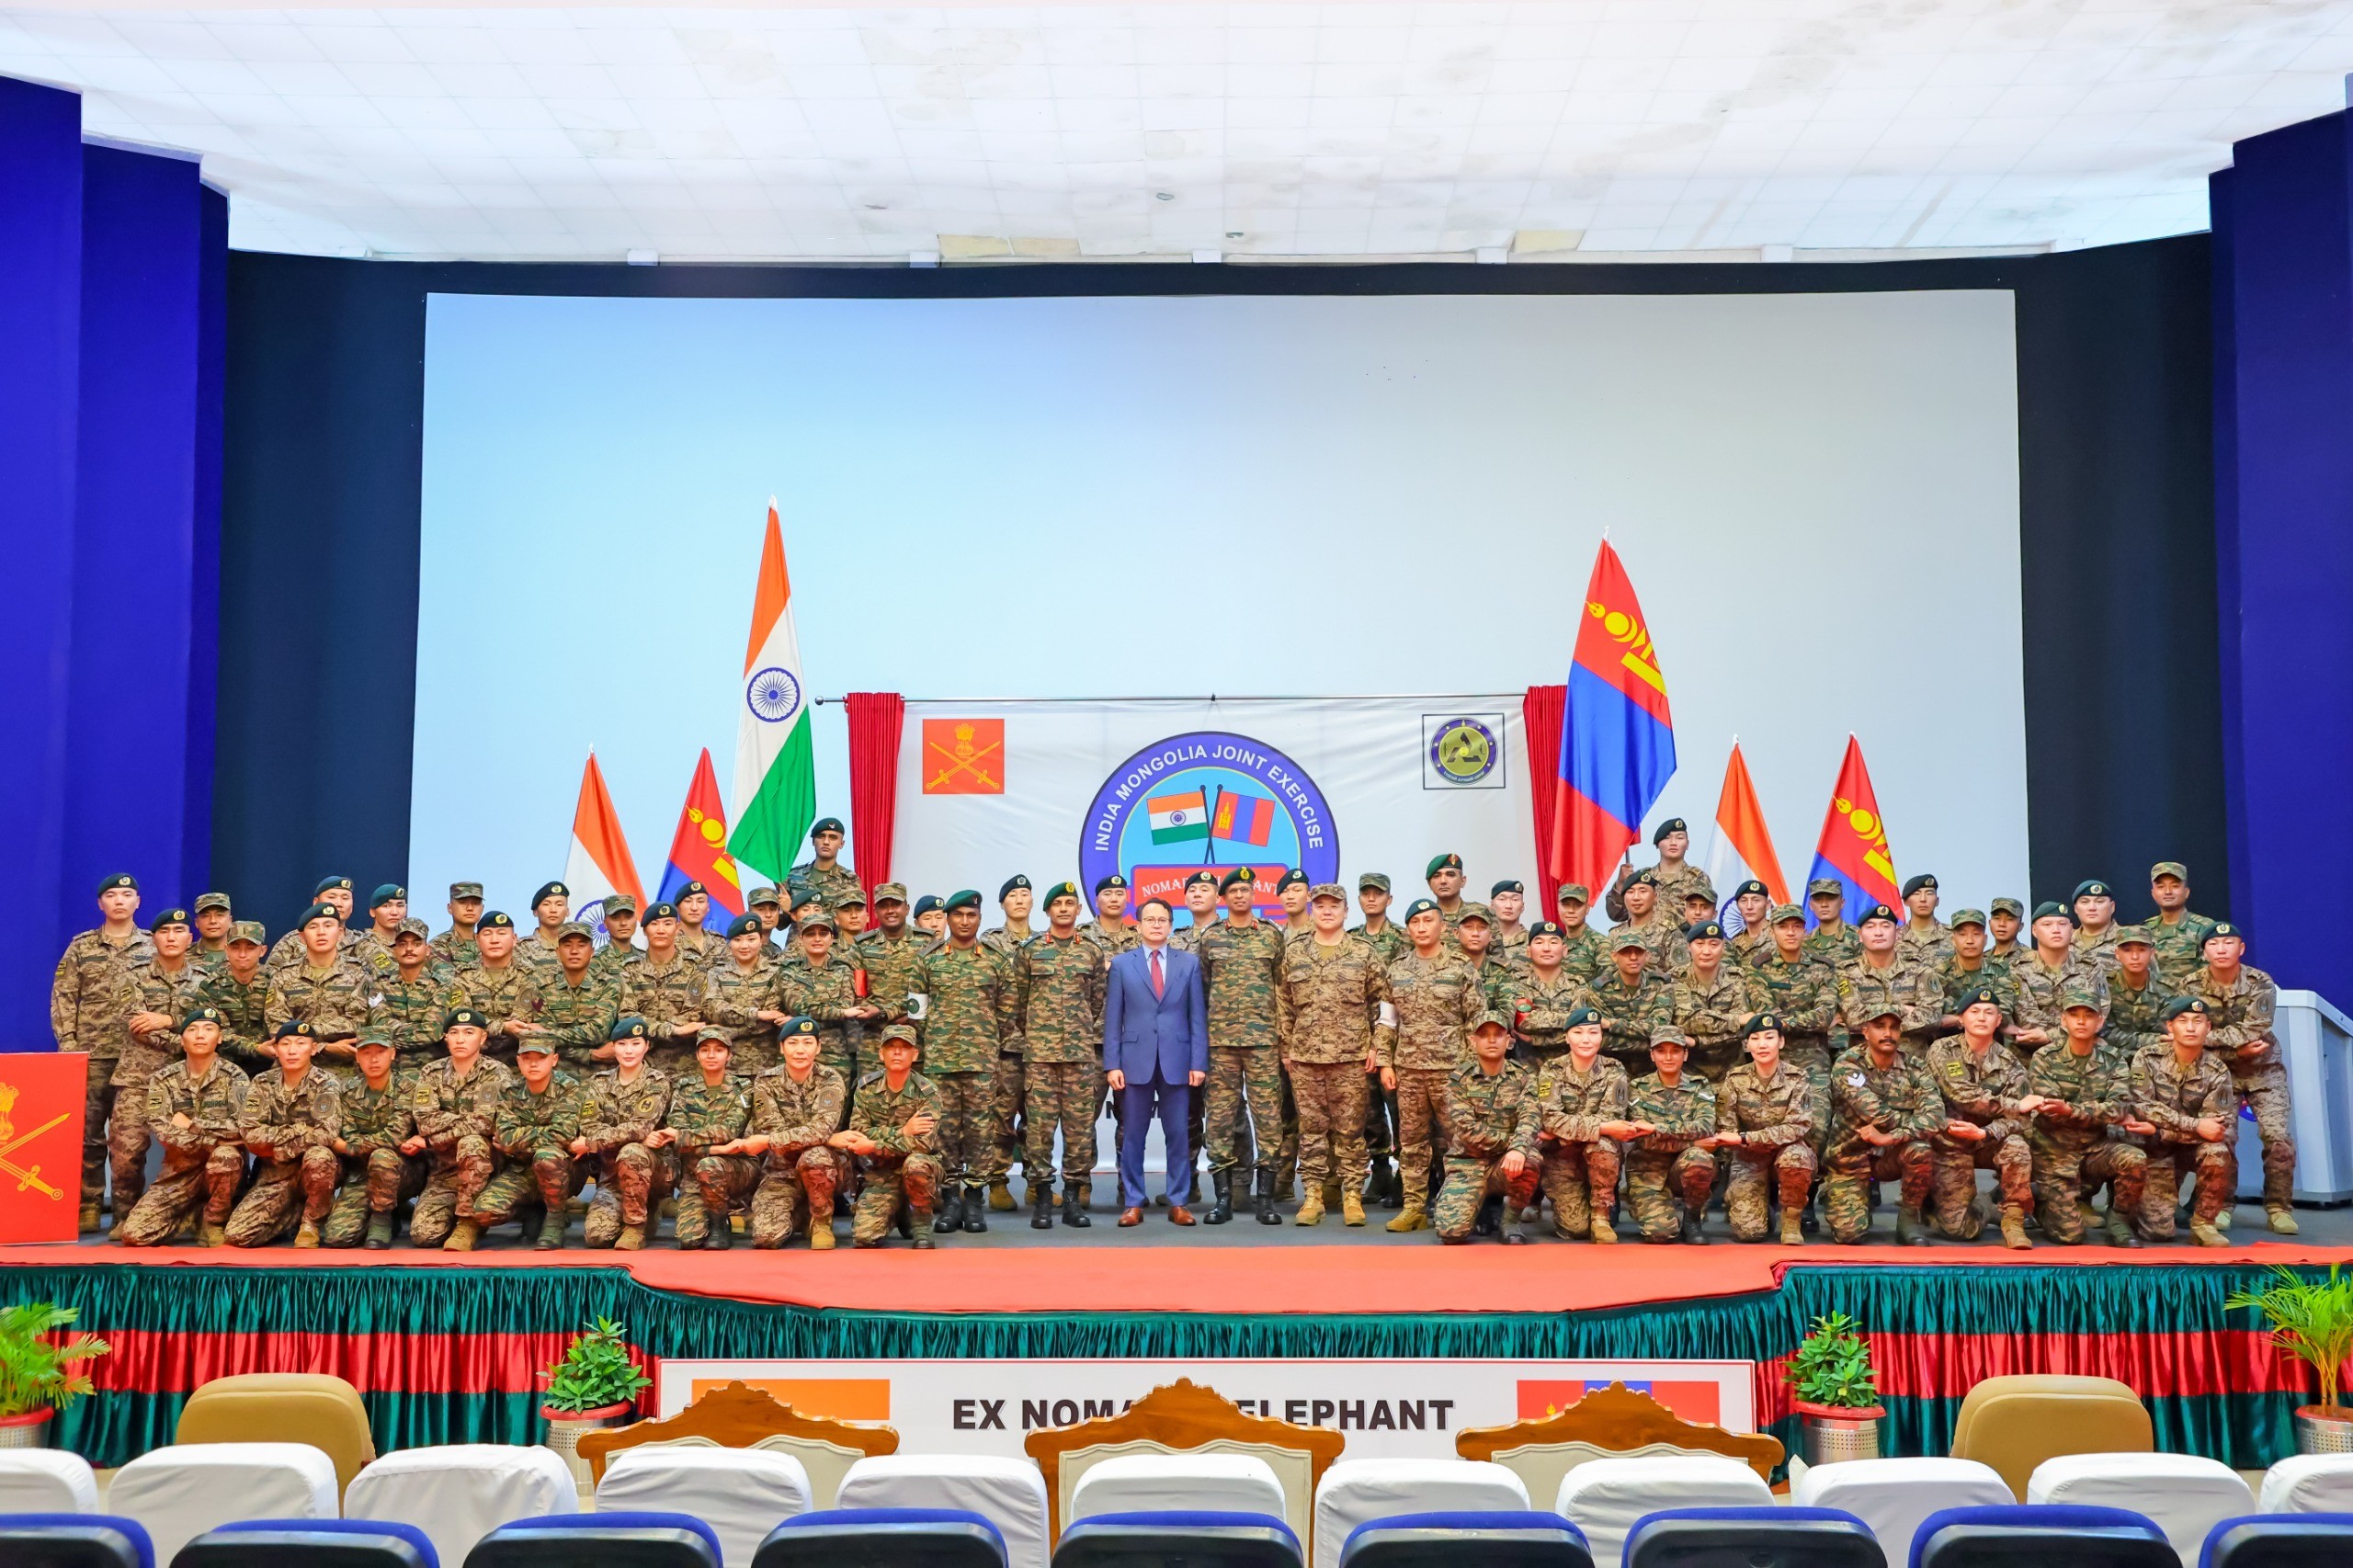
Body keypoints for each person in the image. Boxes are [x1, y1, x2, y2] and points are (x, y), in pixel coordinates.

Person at [1277, 883, 1387, 1225]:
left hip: (1351, 1058)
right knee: (1311, 1131)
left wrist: (1378, 1047)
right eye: (1321, 905)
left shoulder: (1364, 953)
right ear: (1312, 910)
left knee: (1351, 1131)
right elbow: (1284, 1004)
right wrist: (1287, 1048)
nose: (1327, 911)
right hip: (1306, 1058)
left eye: (1334, 906)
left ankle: (1353, 1196)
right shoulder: (1295, 953)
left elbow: (1383, 1006)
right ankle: (1313, 1197)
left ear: (1345, 912)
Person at [913, 889, 1017, 1232]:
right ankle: (950, 1200)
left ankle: (974, 1201)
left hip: (981, 1062)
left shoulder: (995, 959)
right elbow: (917, 1013)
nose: (964, 921)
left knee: (980, 1132)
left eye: (971, 915)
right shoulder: (927, 959)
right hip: (940, 1061)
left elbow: (1008, 1011)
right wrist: (934, 1041)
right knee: (944, 1132)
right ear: (948, 919)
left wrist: (987, 1041)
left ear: (980, 919)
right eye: (958, 915)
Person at [1378, 897, 1484, 1233]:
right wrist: (1384, 1062)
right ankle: (1414, 1207)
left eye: (1428, 921)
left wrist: (1472, 1068)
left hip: (1452, 1071)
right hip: (1409, 1070)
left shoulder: (1461, 967)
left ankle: (1460, 1206)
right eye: (1415, 922)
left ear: (1442, 926)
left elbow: (1476, 1021)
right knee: (1411, 1143)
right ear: (1408, 929)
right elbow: (1387, 1022)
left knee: (1457, 1141)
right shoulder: (1397, 969)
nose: (1422, 928)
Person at [1104, 898, 1208, 1227]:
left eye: (1162, 919)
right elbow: (1113, 1019)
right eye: (1150, 919)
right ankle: (1133, 1202)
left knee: (1178, 1135)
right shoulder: (1122, 965)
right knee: (1133, 1136)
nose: (1156, 925)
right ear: (1138, 925)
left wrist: (1198, 1062)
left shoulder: (1188, 963)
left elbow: (1197, 1017)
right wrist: (1112, 1064)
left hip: (1178, 1060)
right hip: (1135, 1061)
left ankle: (1178, 1201)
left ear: (1171, 925)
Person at [1196, 865, 1289, 1225]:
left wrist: (1282, 1038)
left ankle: (1265, 1200)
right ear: (1224, 898)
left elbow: (1281, 987)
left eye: (1245, 890)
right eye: (1233, 891)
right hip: (1221, 1044)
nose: (1239, 896)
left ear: (1253, 895)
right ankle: (1223, 1199)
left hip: (1263, 1042)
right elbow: (1204, 987)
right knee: (1220, 1120)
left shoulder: (1271, 935)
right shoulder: (1211, 937)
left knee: (1268, 1119)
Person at [1015, 881, 1110, 1228]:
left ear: (1079, 910)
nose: (1065, 909)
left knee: (1079, 1130)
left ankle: (1073, 1198)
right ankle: (1042, 1197)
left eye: (1070, 903)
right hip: (1040, 1057)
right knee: (1039, 1130)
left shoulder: (1092, 951)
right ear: (1047, 911)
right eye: (1058, 904)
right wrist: (1038, 1034)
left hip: (1079, 1057)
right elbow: (1018, 1002)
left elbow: (1097, 1000)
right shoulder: (1030, 950)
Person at [2192, 921, 2297, 1233]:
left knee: (2278, 1139)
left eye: (2229, 943)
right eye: (2214, 944)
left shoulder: (2259, 981)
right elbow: (2190, 1029)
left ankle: (2279, 1208)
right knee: (2221, 1140)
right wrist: (2234, 1049)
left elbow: (2256, 1028)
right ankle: (2222, 1207)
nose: (2221, 949)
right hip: (2220, 1072)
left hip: (2264, 1071)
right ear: (2204, 952)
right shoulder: (2191, 985)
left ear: (2241, 949)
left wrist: (2210, 1038)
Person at [2026, 987, 2151, 1246]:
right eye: (2074, 1015)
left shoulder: (2113, 1059)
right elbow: (2051, 1110)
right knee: (2070, 1236)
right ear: (2063, 1021)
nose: (2081, 1021)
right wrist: (2097, 1111)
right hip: (2055, 1152)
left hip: (2096, 1149)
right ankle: (2039, 1200)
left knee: (2134, 1158)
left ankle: (2118, 1218)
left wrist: (2072, 1109)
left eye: (2088, 1015)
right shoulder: (2044, 1058)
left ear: (2100, 1022)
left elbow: (2119, 1108)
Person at [114, 1006, 246, 1247]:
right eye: (192, 1030)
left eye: (208, 1029)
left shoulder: (235, 1077)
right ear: (182, 1041)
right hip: (179, 1169)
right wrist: (215, 1139)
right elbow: (162, 1129)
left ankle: (214, 1221)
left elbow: (241, 1128)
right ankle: (191, 1214)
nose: (200, 1035)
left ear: (220, 1038)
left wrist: (192, 1126)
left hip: (221, 1169)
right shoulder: (163, 1079)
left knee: (226, 1156)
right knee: (134, 1234)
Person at [1926, 987, 2039, 1248]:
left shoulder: (2010, 1063)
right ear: (1961, 1019)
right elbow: (1963, 1096)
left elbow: (2025, 1119)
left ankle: (2014, 1221)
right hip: (1951, 1141)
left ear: (1998, 1021)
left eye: (1989, 1013)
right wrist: (2014, 1105)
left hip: (1989, 1139)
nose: (1981, 1017)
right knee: (1959, 1229)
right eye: (1974, 1011)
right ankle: (1989, 1204)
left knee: (2017, 1148)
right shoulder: (1943, 1050)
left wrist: (1987, 1132)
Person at [1820, 1004, 1941, 1245]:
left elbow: (1936, 1118)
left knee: (1920, 1150)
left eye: (1894, 1028)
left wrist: (1890, 1137)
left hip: (1890, 1154)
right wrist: (1913, 1123)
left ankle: (1909, 1219)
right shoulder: (1848, 1065)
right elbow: (1875, 1113)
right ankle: (1836, 1192)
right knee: (1850, 1235)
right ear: (1865, 1032)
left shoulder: (1915, 1067)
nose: (1888, 1033)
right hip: (1851, 1157)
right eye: (1880, 1027)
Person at [116, 907, 209, 1219]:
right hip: (138, 1077)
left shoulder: (205, 980)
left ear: (190, 938)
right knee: (126, 1153)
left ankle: (194, 1215)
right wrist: (187, 1039)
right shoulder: (133, 975)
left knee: (197, 1147)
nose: (171, 937)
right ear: (153, 938)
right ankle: (125, 1215)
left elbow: (212, 1024)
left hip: (190, 1081)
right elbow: (136, 1025)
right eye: (164, 932)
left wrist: (168, 1019)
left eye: (178, 931)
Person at [225, 1021, 342, 1248]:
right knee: (238, 1235)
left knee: (319, 1156)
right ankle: (293, 1213)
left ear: (314, 1049)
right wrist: (302, 1129)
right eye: (285, 1044)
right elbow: (250, 1133)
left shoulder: (326, 1083)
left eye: (300, 1043)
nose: (292, 1050)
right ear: (276, 1049)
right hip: (275, 1172)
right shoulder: (262, 1082)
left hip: (312, 1167)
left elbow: (326, 1134)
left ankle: (311, 1222)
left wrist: (278, 1148)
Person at [2132, 996, 2238, 1246]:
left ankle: (2203, 1225)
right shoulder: (2147, 1058)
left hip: (2182, 1147)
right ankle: (2134, 1209)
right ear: (2170, 1027)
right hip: (2155, 1151)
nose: (2191, 1028)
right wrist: (2195, 1125)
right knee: (2158, 1233)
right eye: (2183, 1021)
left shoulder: (2217, 1071)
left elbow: (2217, 1129)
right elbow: (2142, 1107)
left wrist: (2162, 1129)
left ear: (2208, 1027)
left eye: (2198, 1021)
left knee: (2217, 1151)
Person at [411, 1008, 517, 1251]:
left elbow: (487, 1123)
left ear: (483, 1038)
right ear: (445, 1038)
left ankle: (468, 1222)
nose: (460, 1039)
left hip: (486, 1165)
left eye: (469, 1033)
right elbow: (425, 1122)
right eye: (454, 1033)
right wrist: (466, 1121)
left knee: (472, 1142)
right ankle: (458, 1210)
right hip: (445, 1168)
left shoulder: (496, 1073)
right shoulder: (431, 1072)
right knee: (424, 1236)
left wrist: (432, 1140)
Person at [1433, 1014, 1540, 1244]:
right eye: (1484, 1035)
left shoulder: (1524, 1077)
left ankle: (1510, 1221)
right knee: (1451, 1233)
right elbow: (1468, 1130)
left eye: (1498, 1035)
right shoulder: (1459, 1080)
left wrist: (1519, 1149)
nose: (1491, 1040)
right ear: (1473, 1041)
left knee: (1529, 1159)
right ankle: (1480, 1204)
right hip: (1468, 1162)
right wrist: (1513, 1144)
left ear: (1509, 1041)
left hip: (1505, 1162)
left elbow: (1530, 1117)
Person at [834, 1023, 942, 1247]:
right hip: (881, 1171)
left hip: (919, 1167)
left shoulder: (927, 1092)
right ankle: (898, 1210)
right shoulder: (866, 1088)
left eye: (904, 1047)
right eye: (891, 1047)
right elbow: (858, 1133)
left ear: (915, 1054)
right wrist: (902, 1131)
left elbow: (921, 1144)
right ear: (881, 1054)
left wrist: (873, 1145)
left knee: (916, 1163)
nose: (897, 1053)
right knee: (864, 1237)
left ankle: (921, 1223)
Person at [1712, 1014, 1816, 1245]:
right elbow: (1726, 1126)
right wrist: (1738, 1145)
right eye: (1755, 1038)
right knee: (1748, 1233)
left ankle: (1792, 1219)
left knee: (1796, 1157)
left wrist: (1745, 1137)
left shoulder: (1798, 1078)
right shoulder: (1735, 1079)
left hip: (1786, 1151)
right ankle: (1761, 1204)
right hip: (1749, 1157)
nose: (1762, 1044)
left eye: (1769, 1037)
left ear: (1781, 1042)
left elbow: (1797, 1127)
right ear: (1746, 1045)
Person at [1531, 1006, 1632, 1242]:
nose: (1586, 1039)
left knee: (1603, 1145)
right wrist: (1600, 1128)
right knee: (1575, 1229)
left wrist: (1566, 1131)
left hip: (1597, 1153)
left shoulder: (1614, 1069)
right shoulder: (1552, 1070)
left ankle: (1601, 1217)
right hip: (1562, 1157)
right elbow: (1551, 1118)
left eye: (1593, 1032)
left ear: (1601, 1037)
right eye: (1578, 1032)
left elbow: (1613, 1115)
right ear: (1566, 1037)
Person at [751, 1016, 851, 1248]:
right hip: (781, 1169)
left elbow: (820, 1129)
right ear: (781, 1047)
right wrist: (828, 1139)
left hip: (824, 1168)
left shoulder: (830, 1080)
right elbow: (772, 1128)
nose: (800, 1050)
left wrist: (770, 1141)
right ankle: (801, 1213)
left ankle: (821, 1221)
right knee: (766, 1238)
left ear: (818, 1047)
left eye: (807, 1043)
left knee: (815, 1155)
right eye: (793, 1043)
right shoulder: (766, 1081)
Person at [574, 1017, 674, 1250]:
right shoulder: (599, 1082)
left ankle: (635, 1225)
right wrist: (635, 1136)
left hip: (651, 1169)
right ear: (613, 1047)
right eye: (622, 1044)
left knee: (632, 1151)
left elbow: (640, 1127)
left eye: (636, 1044)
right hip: (612, 1173)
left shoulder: (656, 1082)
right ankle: (638, 1210)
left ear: (647, 1046)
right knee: (597, 1237)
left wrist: (593, 1142)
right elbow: (588, 1125)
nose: (629, 1051)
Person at [478, 1035, 584, 1248]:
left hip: (561, 1169)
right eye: (527, 1058)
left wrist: (518, 1142)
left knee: (547, 1156)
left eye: (540, 1058)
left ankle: (555, 1217)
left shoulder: (569, 1088)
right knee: (484, 1213)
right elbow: (506, 1136)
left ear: (554, 1060)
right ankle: (530, 1211)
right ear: (518, 1061)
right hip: (522, 1170)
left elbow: (563, 1133)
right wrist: (548, 1138)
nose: (533, 1064)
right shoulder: (510, 1091)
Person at [323, 1035, 424, 1249]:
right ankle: (391, 1210)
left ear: (393, 1053)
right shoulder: (347, 1090)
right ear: (357, 1057)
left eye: (380, 1052)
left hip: (404, 1170)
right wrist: (352, 1145)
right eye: (366, 1053)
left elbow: (394, 1136)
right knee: (338, 1238)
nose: (374, 1059)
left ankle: (382, 1218)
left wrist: (348, 1147)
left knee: (383, 1156)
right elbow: (348, 1133)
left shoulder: (409, 1087)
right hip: (361, 1171)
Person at [1620, 1026, 1720, 1244]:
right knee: (1660, 1234)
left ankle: (1692, 1219)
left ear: (1685, 1054)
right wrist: (1692, 1142)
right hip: (1647, 1169)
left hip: (1684, 1164)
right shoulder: (1638, 1087)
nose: (1668, 1057)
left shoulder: (1699, 1086)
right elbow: (1644, 1139)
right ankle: (1643, 1204)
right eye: (1661, 1051)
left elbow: (1706, 1126)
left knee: (1699, 1159)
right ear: (1652, 1055)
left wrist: (1657, 1129)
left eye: (1675, 1051)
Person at [666, 1028, 756, 1250]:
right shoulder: (684, 1089)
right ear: (697, 1055)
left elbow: (729, 1131)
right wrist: (718, 1149)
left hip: (736, 1167)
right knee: (689, 1240)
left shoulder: (743, 1089)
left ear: (729, 1055)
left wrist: (686, 1139)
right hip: (694, 1173)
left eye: (719, 1050)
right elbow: (676, 1136)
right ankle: (711, 1212)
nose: (712, 1055)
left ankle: (719, 1224)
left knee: (710, 1165)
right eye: (705, 1050)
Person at [619, 903, 711, 1075]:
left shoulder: (694, 967)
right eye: (654, 924)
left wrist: (654, 1028)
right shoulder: (629, 969)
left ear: (677, 928)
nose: (661, 930)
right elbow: (627, 1015)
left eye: (667, 923)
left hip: (687, 1065)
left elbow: (695, 1013)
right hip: (642, 1063)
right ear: (644, 930)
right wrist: (672, 1030)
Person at [1670, 920, 1764, 1082]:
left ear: (1723, 948)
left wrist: (1697, 1041)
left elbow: (1743, 1030)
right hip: (1687, 1074)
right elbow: (1684, 1021)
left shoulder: (1737, 977)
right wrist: (1735, 1020)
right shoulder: (1675, 979)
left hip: (1733, 1072)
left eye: (1714, 944)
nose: (1707, 951)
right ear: (1689, 947)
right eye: (1700, 944)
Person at [526, 921, 620, 1071]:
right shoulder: (542, 988)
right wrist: (591, 1055)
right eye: (567, 945)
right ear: (557, 951)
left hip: (601, 1074)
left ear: (592, 952)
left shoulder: (608, 985)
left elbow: (598, 1033)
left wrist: (551, 1034)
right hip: (557, 1073)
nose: (574, 951)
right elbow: (544, 1039)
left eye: (581, 945)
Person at [1499, 921, 1586, 1074]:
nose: (1546, 948)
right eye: (1539, 942)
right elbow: (1523, 1023)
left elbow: (1581, 1029)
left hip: (1569, 1073)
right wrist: (1570, 1019)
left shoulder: (1578, 984)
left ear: (1564, 950)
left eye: (1553, 942)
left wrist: (1534, 1039)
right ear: (1528, 951)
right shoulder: (1515, 983)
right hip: (1525, 1073)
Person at [1580, 932, 1675, 1074]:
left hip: (1654, 1069)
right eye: (1625, 952)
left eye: (1639, 952)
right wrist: (1650, 1041)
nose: (1633, 957)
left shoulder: (1660, 985)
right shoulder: (1599, 989)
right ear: (1614, 956)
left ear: (1647, 956)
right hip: (1609, 1068)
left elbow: (1660, 1026)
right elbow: (1601, 1038)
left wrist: (1612, 1024)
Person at [707, 914, 789, 1073]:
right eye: (737, 940)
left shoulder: (777, 972)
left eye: (751, 939)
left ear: (761, 940)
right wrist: (757, 1014)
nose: (744, 946)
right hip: (725, 1065)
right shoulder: (715, 973)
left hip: (767, 1063)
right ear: (730, 943)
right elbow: (714, 1010)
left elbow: (772, 1019)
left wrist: (727, 1031)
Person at [369, 919, 456, 1065]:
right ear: (394, 950)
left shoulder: (441, 985)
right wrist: (419, 1030)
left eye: (416, 944)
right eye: (402, 944)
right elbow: (379, 1025)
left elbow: (432, 1032)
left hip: (431, 1068)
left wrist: (392, 1037)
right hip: (388, 1067)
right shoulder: (379, 983)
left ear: (427, 950)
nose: (409, 949)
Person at [199, 921, 274, 1072]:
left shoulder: (276, 981)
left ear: (262, 951)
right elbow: (216, 1030)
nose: (242, 954)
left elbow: (277, 1023)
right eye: (235, 947)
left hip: (272, 1063)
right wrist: (255, 1048)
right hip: (224, 1066)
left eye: (250, 948)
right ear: (226, 950)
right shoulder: (211, 985)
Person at [2145, 861, 2219, 987]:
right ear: (2153, 893)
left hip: (2190, 997)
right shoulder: (2145, 929)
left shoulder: (2204, 928)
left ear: (2186, 892)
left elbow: (2213, 976)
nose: (2168, 891)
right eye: (2161, 887)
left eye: (2175, 886)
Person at [2104, 926, 2168, 1056]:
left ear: (2152, 952)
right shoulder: (2105, 986)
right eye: (2127, 950)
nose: (2135, 957)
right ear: (2117, 954)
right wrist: (2153, 1039)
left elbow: (2167, 1034)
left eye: (2142, 950)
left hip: (2156, 1057)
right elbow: (2105, 1033)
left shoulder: (2167, 989)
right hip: (2112, 1057)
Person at [788, 817, 862, 914]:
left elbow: (848, 916)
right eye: (821, 836)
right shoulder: (793, 875)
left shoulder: (849, 879)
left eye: (833, 838)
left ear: (841, 844)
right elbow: (780, 919)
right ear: (813, 841)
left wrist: (791, 909)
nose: (826, 842)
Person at [1554, 884, 1607, 983]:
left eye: (1578, 905)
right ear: (1558, 907)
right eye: (1566, 905)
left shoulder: (1600, 943)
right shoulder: (1556, 946)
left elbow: (1608, 982)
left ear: (1587, 908)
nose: (1571, 910)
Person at [352, 885, 409, 975]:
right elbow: (391, 975)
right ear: (372, 912)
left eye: (400, 906)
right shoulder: (365, 944)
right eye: (386, 906)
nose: (394, 912)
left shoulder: (410, 944)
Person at [1802, 880, 1860, 968]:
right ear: (1811, 905)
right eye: (1818, 899)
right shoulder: (1805, 943)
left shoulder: (1858, 937)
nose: (1824, 904)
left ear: (1842, 903)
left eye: (1831, 898)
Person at [2071, 879, 2124, 975]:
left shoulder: (2128, 941)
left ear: (2112, 907)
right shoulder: (2064, 941)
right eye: (2085, 902)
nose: (2092, 908)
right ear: (2075, 908)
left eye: (2099, 902)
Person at [1897, 874, 1951, 965]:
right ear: (1905, 901)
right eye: (1916, 894)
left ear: (1937, 901)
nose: (1923, 899)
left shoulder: (1955, 936)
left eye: (1929, 894)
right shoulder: (1893, 939)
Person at [431, 881, 486, 970]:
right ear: (450, 908)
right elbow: (445, 975)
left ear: (482, 908)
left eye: (476, 903)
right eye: (462, 902)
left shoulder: (488, 943)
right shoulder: (440, 944)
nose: (470, 908)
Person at [591, 893, 643, 984]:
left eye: (628, 917)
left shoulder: (645, 957)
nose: (623, 923)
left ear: (636, 920)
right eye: (615, 918)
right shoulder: (597, 961)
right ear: (605, 924)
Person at [1727, 881, 1775, 969]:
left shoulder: (1780, 937)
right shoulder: (1733, 943)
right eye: (1743, 901)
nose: (1749, 906)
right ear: (1738, 906)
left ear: (1768, 904)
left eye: (1756, 900)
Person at [1489, 881, 1530, 964]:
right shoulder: (1481, 940)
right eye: (1502, 899)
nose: (1508, 906)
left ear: (1522, 907)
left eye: (1515, 900)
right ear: (1492, 905)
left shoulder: (1534, 942)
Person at [191, 892, 234, 967]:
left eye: (219, 915)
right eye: (205, 916)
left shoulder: (244, 956)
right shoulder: (182, 956)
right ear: (197, 922)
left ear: (230, 921)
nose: (213, 921)